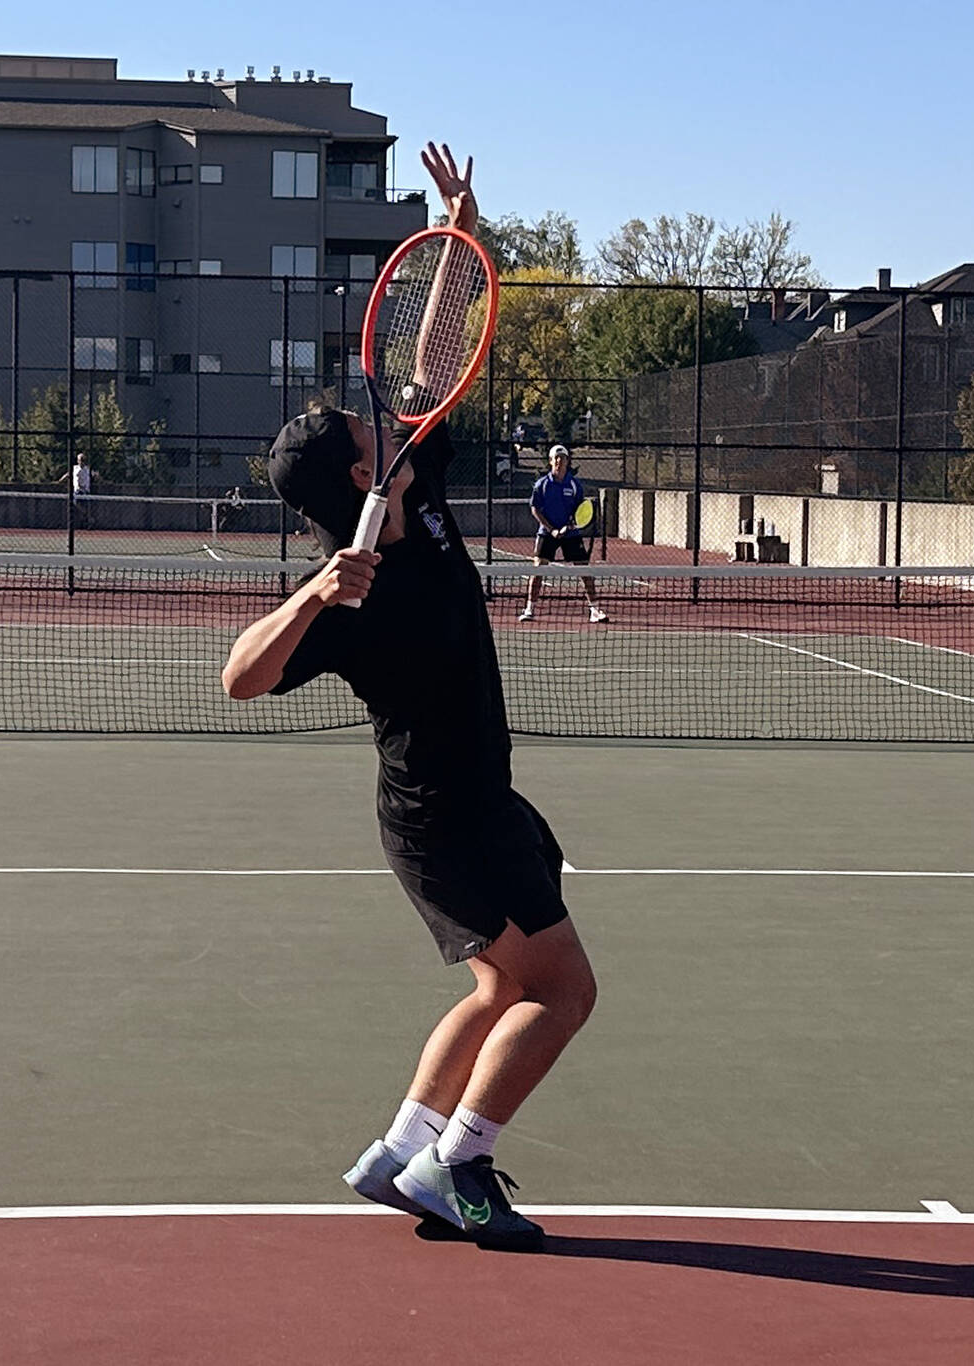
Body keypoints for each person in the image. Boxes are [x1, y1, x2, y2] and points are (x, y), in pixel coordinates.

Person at [220, 144, 593, 1253]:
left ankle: (398, 1151)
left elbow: (424, 369)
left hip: (466, 802)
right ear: (348, 474)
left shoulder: (407, 490)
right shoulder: (347, 588)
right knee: (559, 993)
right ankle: (457, 1160)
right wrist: (308, 595)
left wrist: (459, 234)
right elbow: (238, 677)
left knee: (496, 987)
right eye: (369, 427)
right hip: (447, 817)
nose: (394, 420)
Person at [519, 445, 607, 623]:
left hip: (571, 535)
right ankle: (529, 609)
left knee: (584, 570)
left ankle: (595, 610)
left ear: (567, 461)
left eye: (563, 458)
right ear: (551, 461)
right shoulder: (542, 484)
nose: (559, 461)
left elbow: (581, 511)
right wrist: (551, 529)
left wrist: (571, 526)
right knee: (537, 570)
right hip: (547, 532)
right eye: (556, 458)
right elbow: (535, 509)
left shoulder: (575, 485)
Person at [69, 454, 93, 529]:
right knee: (75, 503)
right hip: (77, 491)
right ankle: (86, 517)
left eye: (83, 460)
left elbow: (95, 475)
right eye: (80, 460)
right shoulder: (75, 468)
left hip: (85, 491)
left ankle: (87, 521)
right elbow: (68, 474)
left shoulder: (87, 469)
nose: (81, 461)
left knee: (86, 507)